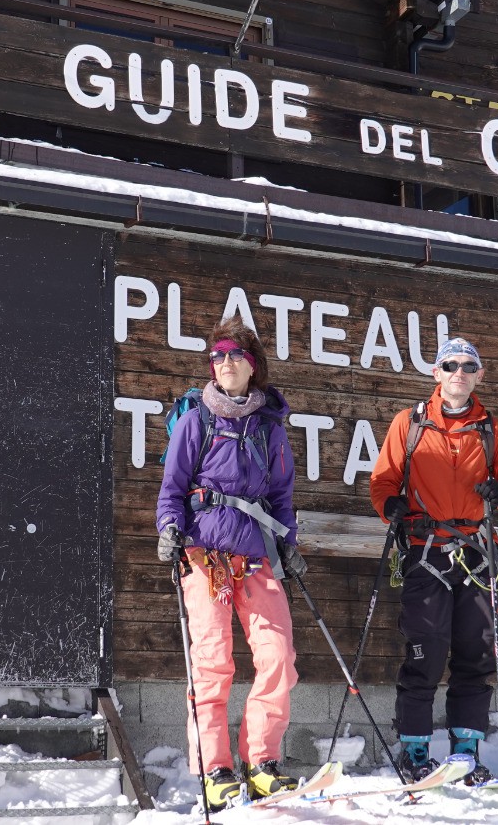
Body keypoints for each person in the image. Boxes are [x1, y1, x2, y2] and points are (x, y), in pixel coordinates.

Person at [155, 317, 307, 809]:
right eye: (217, 356)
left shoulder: (269, 428)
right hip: (203, 554)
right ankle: (215, 768)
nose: (224, 363)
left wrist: (289, 542)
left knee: (278, 656)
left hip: (257, 556)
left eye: (234, 355)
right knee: (213, 661)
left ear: (252, 365)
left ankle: (262, 762)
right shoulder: (197, 418)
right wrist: (169, 529)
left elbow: (282, 496)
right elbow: (173, 487)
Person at [369, 337, 498, 783]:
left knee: (475, 652)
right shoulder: (411, 423)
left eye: (468, 365)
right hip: (426, 551)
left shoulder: (490, 429)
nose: (458, 372)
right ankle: (415, 750)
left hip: (476, 554)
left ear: (478, 375)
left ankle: (466, 751)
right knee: (425, 649)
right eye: (450, 364)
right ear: (436, 373)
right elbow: (382, 482)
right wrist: (392, 508)